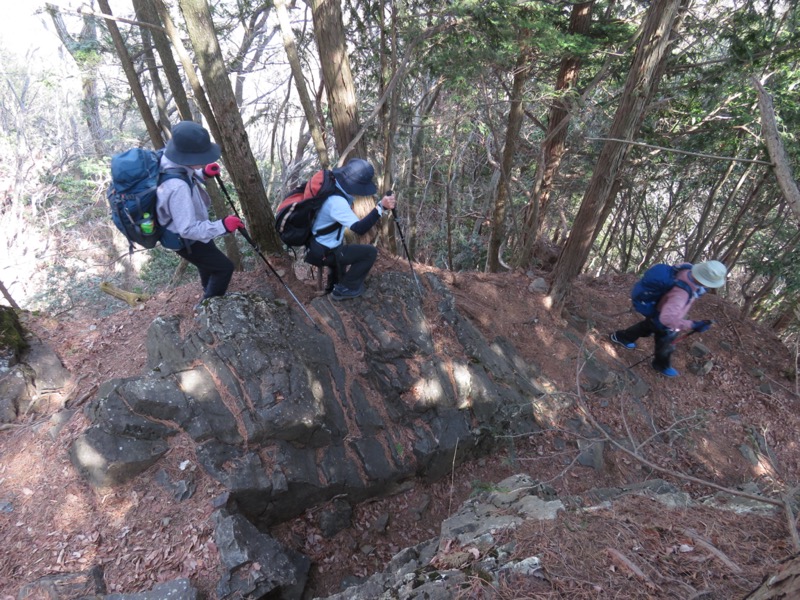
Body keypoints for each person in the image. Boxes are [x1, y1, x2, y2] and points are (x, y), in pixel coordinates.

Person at [156, 121, 244, 301]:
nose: (206, 159)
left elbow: (180, 172)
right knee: (223, 268)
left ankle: (207, 290)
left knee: (207, 263)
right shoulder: (177, 188)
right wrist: (223, 226)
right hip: (183, 238)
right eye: (202, 157)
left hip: (188, 231)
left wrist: (202, 173)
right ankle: (210, 305)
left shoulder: (167, 159)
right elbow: (187, 229)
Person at [610, 260, 728, 377]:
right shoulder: (681, 294)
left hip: (659, 309)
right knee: (665, 344)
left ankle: (621, 337)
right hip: (665, 319)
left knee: (646, 328)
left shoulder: (687, 269)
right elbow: (666, 319)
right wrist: (693, 325)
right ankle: (661, 365)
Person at [305, 158, 396, 300]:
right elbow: (359, 228)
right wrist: (380, 207)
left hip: (318, 245)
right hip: (324, 251)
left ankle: (333, 286)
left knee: (342, 250)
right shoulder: (336, 202)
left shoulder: (332, 188)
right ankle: (344, 289)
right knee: (369, 253)